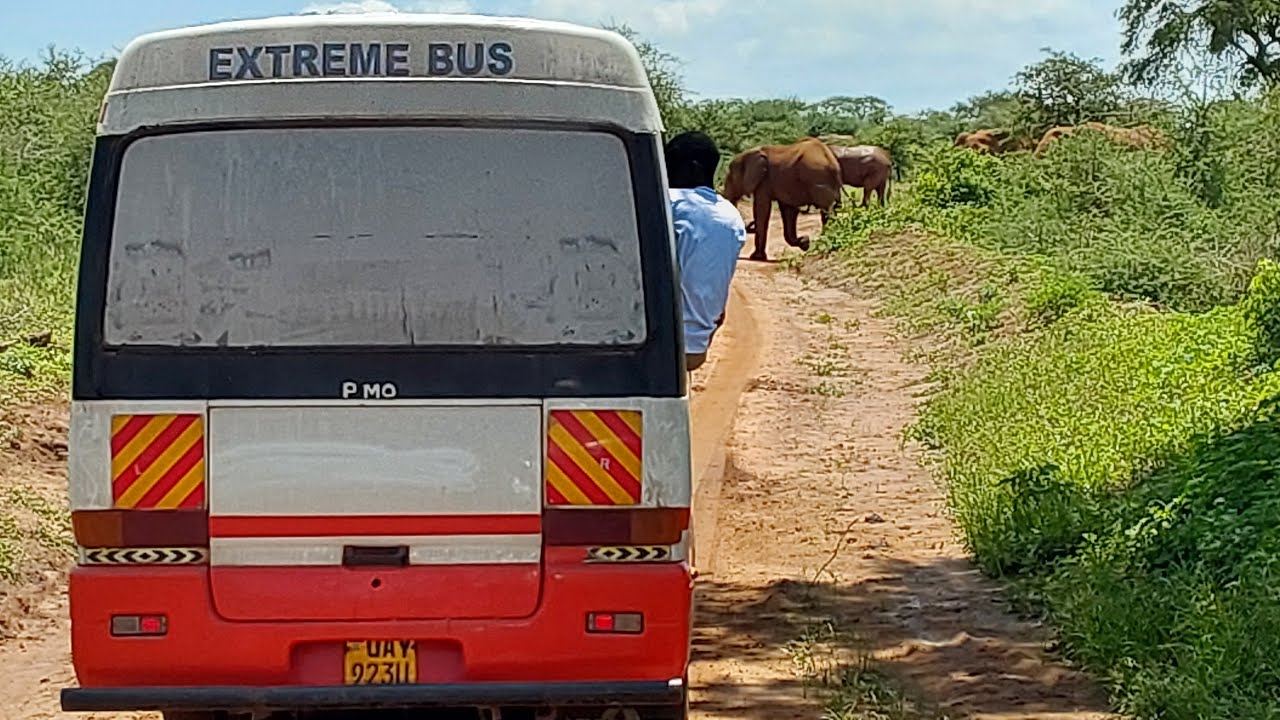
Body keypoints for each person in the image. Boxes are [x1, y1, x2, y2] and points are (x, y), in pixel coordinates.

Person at [665, 131, 746, 372]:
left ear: (692, 168)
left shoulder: (671, 201)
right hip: (697, 348)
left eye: (669, 168)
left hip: (658, 344)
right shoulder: (732, 217)